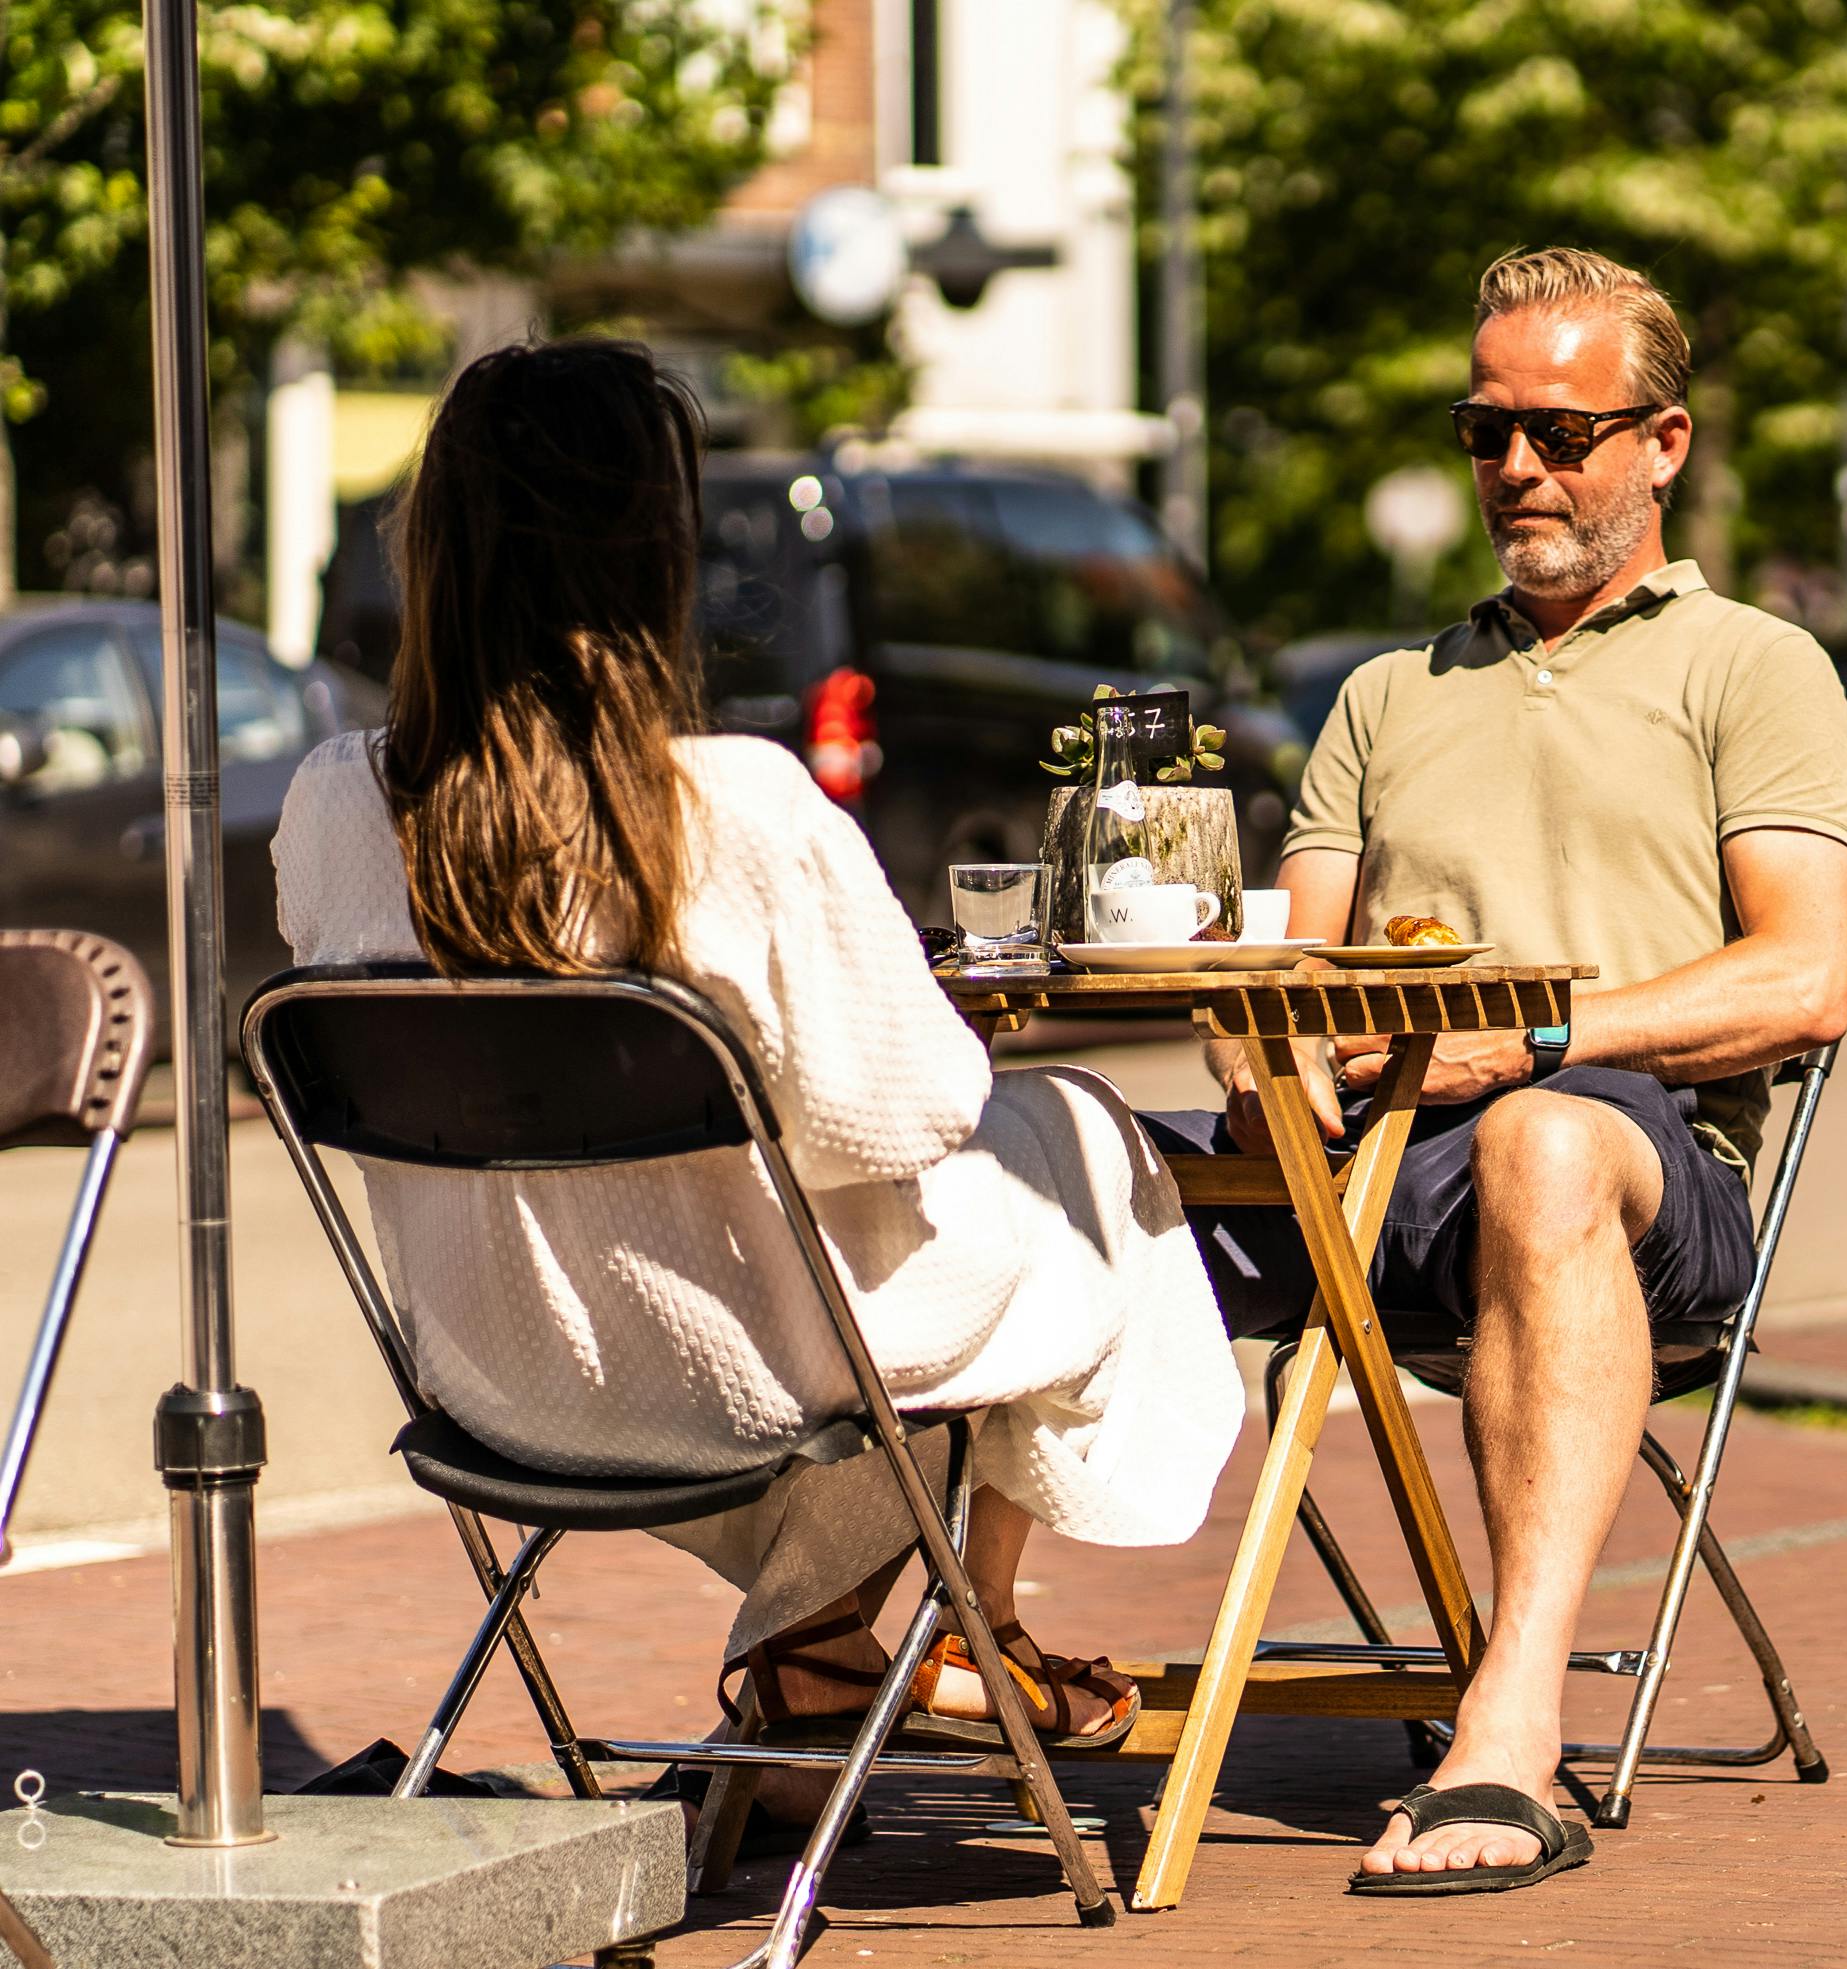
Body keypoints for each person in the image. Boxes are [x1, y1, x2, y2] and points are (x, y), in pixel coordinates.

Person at [272, 339, 1241, 1811]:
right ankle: (951, 1632)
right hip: (749, 1373)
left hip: (495, 1376)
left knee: (993, 1186)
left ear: (434, 543)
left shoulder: (339, 797)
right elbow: (903, 1114)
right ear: (656, 547)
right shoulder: (733, 805)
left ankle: (843, 1646)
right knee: (1087, 1140)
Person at [1148, 247, 1847, 1893]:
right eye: (1487, 433)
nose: (1519, 470)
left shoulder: (1751, 667)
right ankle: (925, 1666)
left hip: (1633, 1170)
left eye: (1561, 431)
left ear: (1665, 443)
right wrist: (1261, 1059)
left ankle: (1509, 1735)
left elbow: (1801, 978)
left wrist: (1533, 1040)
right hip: (1372, 1181)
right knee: (1033, 1150)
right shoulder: (1386, 692)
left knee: (1543, 1139)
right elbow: (1291, 966)